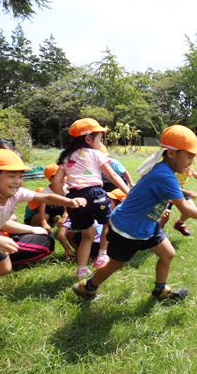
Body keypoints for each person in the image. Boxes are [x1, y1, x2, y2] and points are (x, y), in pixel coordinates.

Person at [72, 125, 197, 302]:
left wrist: (185, 193)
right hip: (128, 228)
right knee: (117, 264)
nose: (191, 162)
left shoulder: (163, 171)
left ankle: (160, 291)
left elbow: (167, 191)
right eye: (189, 156)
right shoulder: (164, 175)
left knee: (167, 253)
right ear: (171, 153)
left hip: (145, 225)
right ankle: (87, 287)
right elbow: (186, 209)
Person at [0, 148, 86, 291]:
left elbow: (45, 197)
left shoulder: (17, 193)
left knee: (4, 269)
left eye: (20, 176)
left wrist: (68, 202)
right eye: (11, 176)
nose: (17, 181)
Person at [54, 118, 130, 278]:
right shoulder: (96, 153)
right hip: (95, 194)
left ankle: (81, 270)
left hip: (75, 198)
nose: (101, 143)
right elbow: (113, 175)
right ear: (88, 139)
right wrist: (128, 192)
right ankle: (102, 254)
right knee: (108, 222)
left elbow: (56, 182)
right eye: (100, 139)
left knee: (87, 236)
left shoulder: (66, 157)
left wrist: (66, 201)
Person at [24, 163, 67, 232]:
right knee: (44, 216)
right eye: (60, 176)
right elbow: (42, 209)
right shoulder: (46, 191)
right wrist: (44, 223)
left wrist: (65, 216)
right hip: (48, 211)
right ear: (50, 179)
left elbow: (68, 206)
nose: (64, 178)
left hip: (60, 208)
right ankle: (45, 225)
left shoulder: (66, 188)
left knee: (72, 212)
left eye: (64, 175)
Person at [171, 159, 197, 236]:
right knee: (164, 217)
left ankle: (179, 224)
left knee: (192, 209)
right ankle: (155, 238)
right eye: (189, 157)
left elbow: (196, 175)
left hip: (180, 189)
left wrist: (194, 174)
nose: (190, 162)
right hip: (169, 191)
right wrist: (189, 192)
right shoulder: (175, 166)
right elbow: (171, 185)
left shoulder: (189, 163)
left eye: (192, 158)